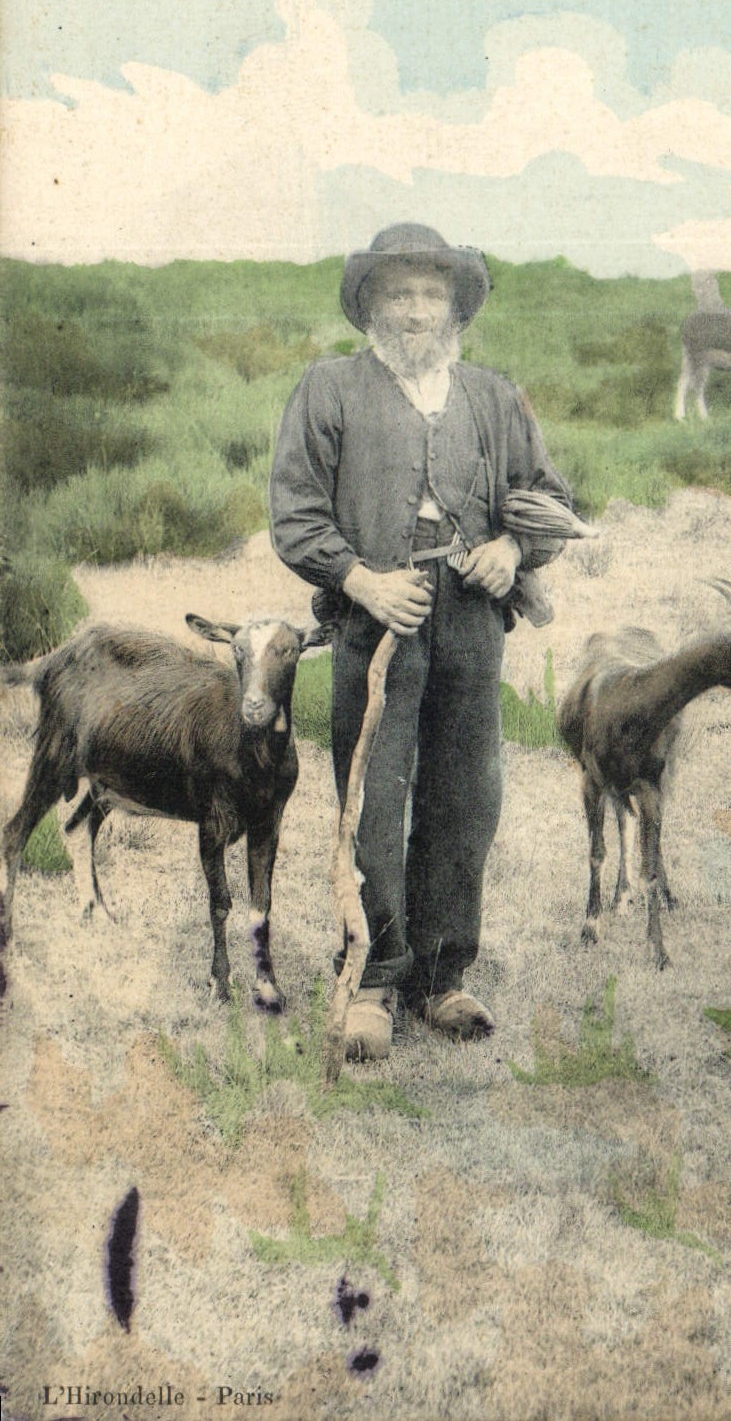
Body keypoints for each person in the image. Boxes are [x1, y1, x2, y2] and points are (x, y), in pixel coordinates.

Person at [269, 223, 570, 1061]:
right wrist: (360, 580)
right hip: (377, 624)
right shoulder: (328, 389)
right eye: (396, 293)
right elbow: (295, 513)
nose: (413, 311)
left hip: (472, 622)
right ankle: (372, 976)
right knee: (370, 798)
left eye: (430, 294)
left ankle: (441, 976)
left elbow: (545, 495)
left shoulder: (492, 397)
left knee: (464, 797)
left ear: (454, 308)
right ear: (369, 304)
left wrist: (513, 551)